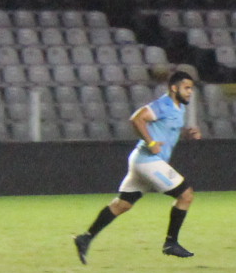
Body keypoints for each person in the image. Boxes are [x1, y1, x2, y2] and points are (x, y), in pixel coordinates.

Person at [75, 66, 202, 262]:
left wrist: (187, 134)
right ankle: (171, 243)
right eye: (186, 88)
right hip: (148, 161)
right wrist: (151, 143)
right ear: (174, 88)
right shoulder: (163, 105)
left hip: (141, 161)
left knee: (122, 204)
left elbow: (168, 130)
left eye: (191, 88)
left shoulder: (179, 108)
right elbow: (137, 119)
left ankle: (85, 238)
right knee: (186, 195)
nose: (190, 92)